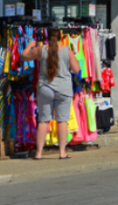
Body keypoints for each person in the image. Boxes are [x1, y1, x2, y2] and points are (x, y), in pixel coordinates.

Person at [21, 28, 80, 160]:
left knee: (43, 120)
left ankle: (39, 153)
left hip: (45, 88)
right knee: (62, 121)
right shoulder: (66, 50)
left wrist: (30, 45)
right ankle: (62, 152)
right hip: (64, 89)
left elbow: (24, 56)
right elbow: (76, 69)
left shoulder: (41, 50)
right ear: (60, 37)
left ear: (47, 38)